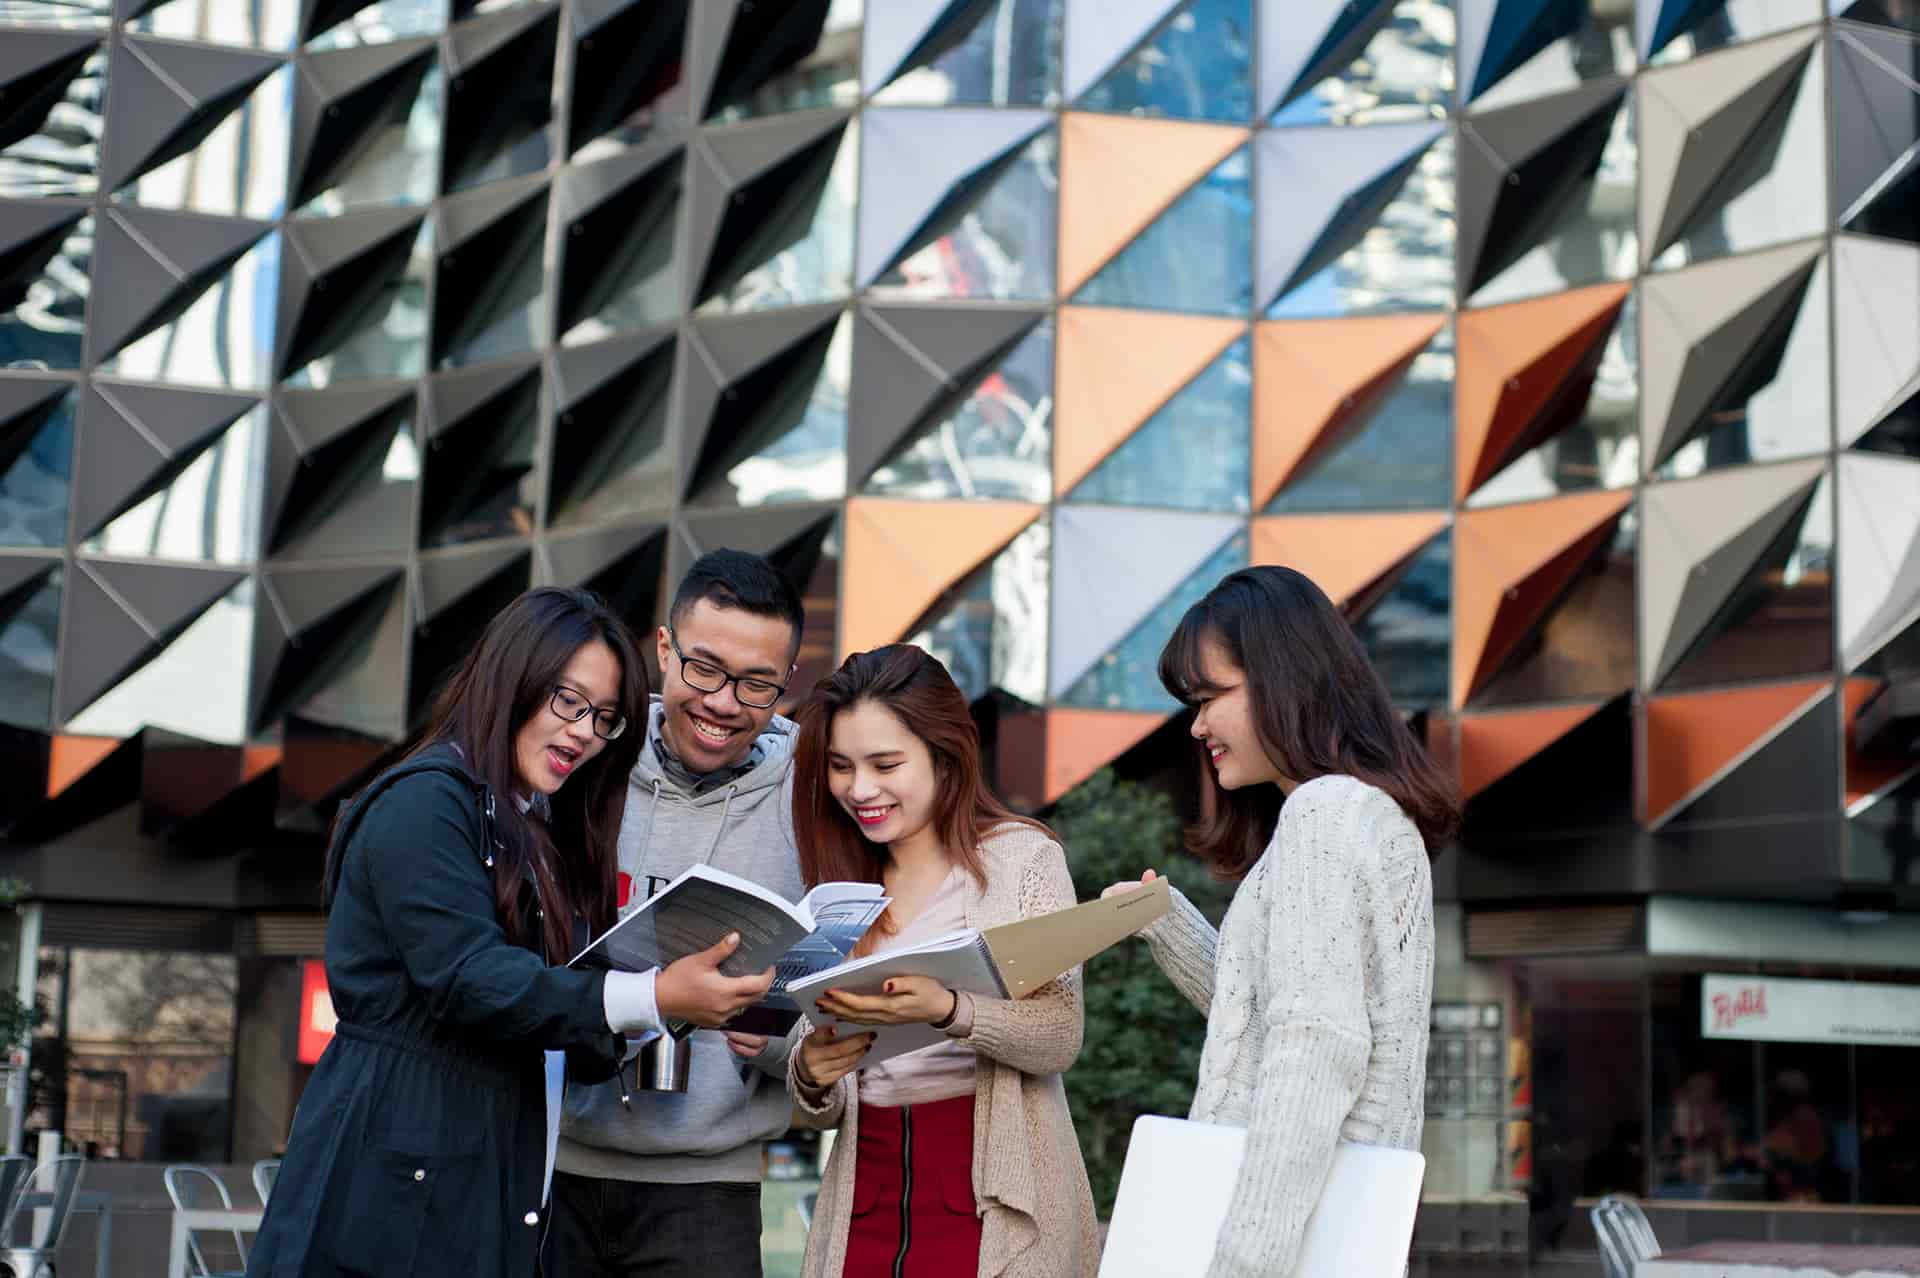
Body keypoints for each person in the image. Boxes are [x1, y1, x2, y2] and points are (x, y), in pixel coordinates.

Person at [247, 586, 705, 1278]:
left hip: (486, 1194)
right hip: (393, 1203)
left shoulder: (538, 827)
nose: (583, 731)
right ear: (509, 678)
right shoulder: (424, 804)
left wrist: (670, 1004)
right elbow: (470, 980)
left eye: (605, 718)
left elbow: (556, 1021)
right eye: (567, 700)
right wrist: (652, 998)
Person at [1104, 566, 1456, 1278]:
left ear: (1283, 678)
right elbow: (1276, 1015)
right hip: (1336, 1235)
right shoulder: (1368, 817)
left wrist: (1239, 1266)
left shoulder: (1322, 816)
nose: (1197, 725)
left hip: (1287, 1249)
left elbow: (1312, 1051)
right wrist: (1168, 925)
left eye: (1211, 697)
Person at [786, 645, 1099, 1278]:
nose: (859, 789)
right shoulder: (836, 888)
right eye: (842, 766)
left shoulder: (1022, 861)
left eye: (885, 763)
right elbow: (810, 1088)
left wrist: (951, 1010)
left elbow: (1061, 1035)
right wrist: (812, 1072)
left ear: (945, 754)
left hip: (991, 1200)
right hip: (863, 1196)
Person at [550, 550, 810, 1277]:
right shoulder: (583, 767)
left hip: (709, 1187)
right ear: (663, 649)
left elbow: (832, 998)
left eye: (758, 683)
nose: (726, 702)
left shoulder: (812, 804)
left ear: (787, 680)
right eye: (704, 669)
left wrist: (768, 1033)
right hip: (550, 1162)